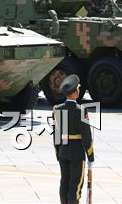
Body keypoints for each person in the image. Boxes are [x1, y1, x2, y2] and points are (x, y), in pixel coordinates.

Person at [53, 75, 94, 204]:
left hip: (63, 150)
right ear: (75, 92)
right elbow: (86, 136)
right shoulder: (81, 111)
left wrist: (58, 152)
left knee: (64, 182)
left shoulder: (57, 109)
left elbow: (56, 134)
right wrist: (91, 156)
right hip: (76, 151)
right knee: (75, 184)